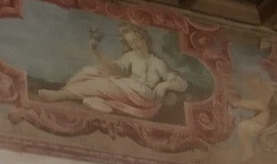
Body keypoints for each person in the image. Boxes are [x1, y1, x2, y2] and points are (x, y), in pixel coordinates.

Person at [36, 23, 187, 118]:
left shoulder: (157, 63)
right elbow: (116, 69)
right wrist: (97, 53)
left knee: (103, 85)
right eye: (130, 42)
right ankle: (99, 102)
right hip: (127, 89)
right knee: (93, 72)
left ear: (144, 38)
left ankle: (59, 95)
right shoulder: (130, 57)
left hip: (143, 96)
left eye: (136, 40)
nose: (134, 44)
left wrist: (165, 85)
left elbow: (181, 84)